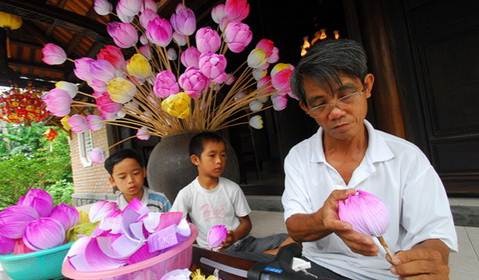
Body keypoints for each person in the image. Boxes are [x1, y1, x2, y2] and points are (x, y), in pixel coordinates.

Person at [281, 39, 458, 280]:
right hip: (318, 269)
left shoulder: (407, 157)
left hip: (387, 272)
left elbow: (433, 233)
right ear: (305, 108)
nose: (335, 111)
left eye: (345, 95)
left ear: (367, 86)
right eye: (320, 103)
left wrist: (426, 262)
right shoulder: (299, 157)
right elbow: (294, 226)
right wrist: (322, 220)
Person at [171, 131, 292, 262]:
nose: (219, 161)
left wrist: (234, 236)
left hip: (243, 244)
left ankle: (256, 259)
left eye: (223, 155)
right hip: (214, 253)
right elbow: (174, 225)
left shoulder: (232, 188)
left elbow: (246, 224)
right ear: (196, 160)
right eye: (212, 155)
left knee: (289, 239)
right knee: (222, 259)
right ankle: (266, 257)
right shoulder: (186, 194)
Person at [104, 148, 171, 212]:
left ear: (144, 172)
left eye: (135, 173)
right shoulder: (110, 207)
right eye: (123, 177)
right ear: (112, 181)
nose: (130, 180)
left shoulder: (160, 201)